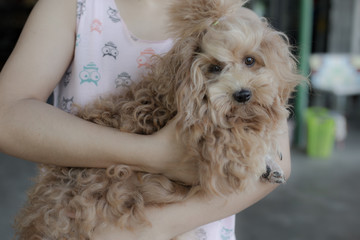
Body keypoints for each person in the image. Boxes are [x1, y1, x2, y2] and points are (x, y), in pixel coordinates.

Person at [0, 0, 291, 239]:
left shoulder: (240, 21)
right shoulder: (72, 7)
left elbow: (274, 163)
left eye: (249, 63)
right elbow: (6, 117)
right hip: (84, 219)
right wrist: (154, 154)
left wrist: (152, 228)